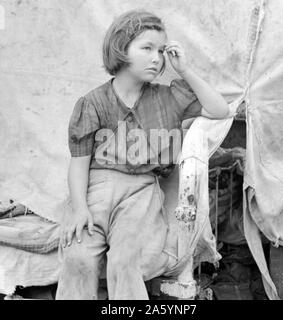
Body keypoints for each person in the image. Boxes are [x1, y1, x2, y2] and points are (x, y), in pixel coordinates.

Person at [56, 9, 230, 300]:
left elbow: (220, 110)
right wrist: (79, 208)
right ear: (120, 49)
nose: (157, 58)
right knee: (78, 258)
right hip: (95, 190)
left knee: (125, 260)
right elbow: (79, 164)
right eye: (146, 48)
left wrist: (185, 69)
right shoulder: (93, 103)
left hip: (141, 193)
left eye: (161, 50)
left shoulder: (168, 98)